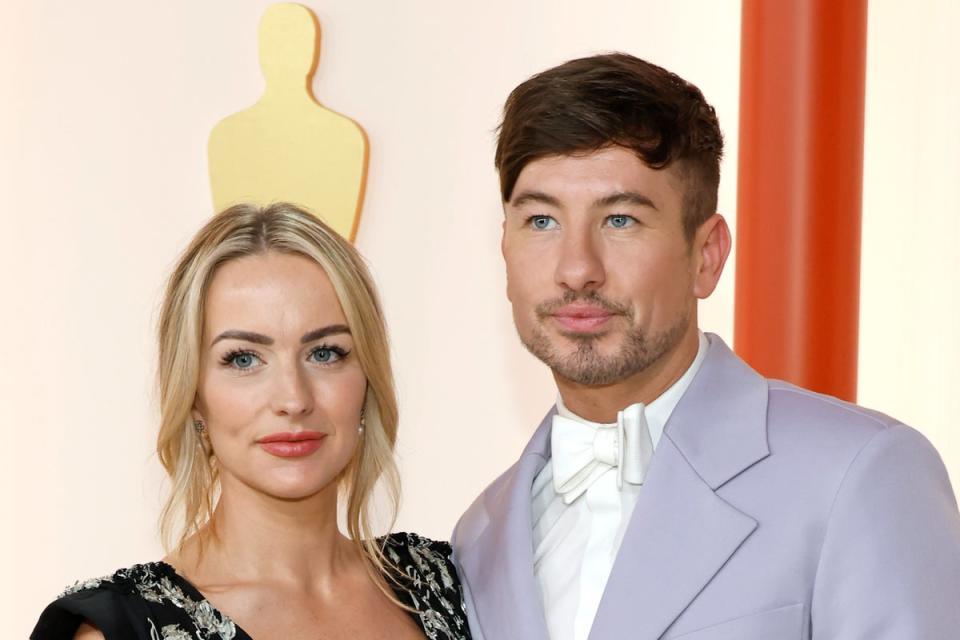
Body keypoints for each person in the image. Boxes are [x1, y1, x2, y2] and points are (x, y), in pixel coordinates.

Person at [452, 53, 960, 639]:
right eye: (542, 220)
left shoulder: (858, 473)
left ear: (706, 256)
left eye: (620, 220)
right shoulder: (477, 537)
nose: (576, 269)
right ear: (506, 249)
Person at [33, 203, 471, 640]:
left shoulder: (448, 585)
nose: (293, 399)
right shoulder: (118, 630)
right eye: (243, 359)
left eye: (325, 353)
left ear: (368, 379)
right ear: (193, 397)